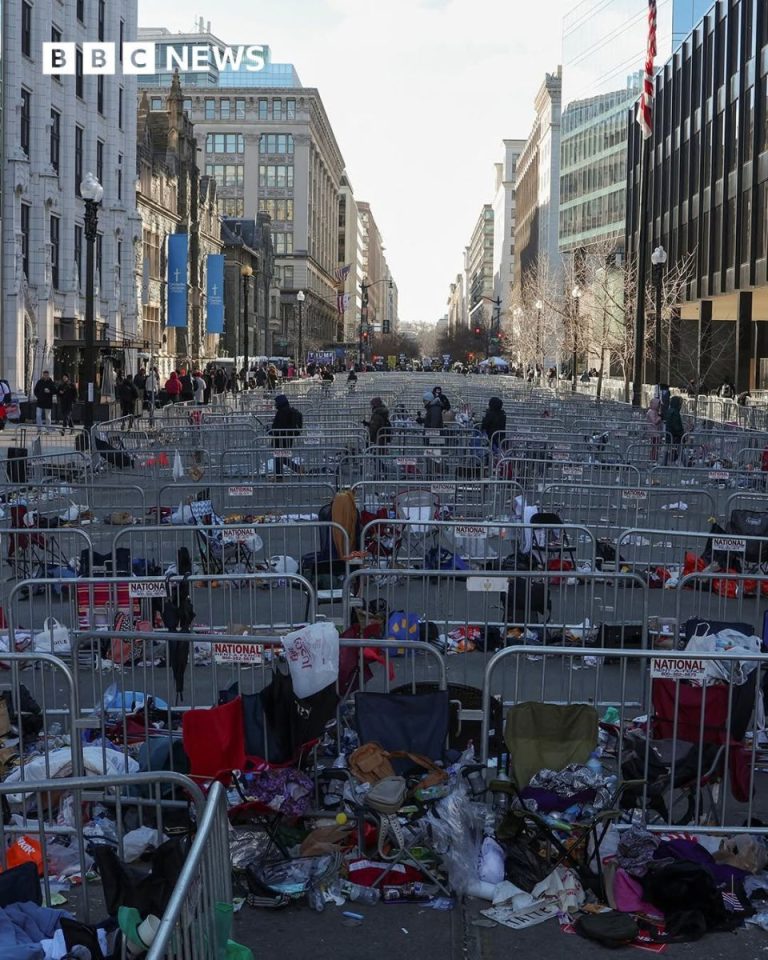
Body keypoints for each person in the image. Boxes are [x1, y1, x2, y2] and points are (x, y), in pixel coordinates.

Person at [270, 394, 302, 478]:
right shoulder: (292, 412)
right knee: (280, 457)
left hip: (279, 439)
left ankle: (295, 469)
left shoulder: (281, 413)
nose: (275, 404)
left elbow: (276, 427)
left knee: (279, 457)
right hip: (288, 438)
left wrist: (270, 431)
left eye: (276, 403)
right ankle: (279, 475)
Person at [663, 394, 685, 463]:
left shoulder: (670, 410)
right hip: (675, 435)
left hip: (669, 434)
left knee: (669, 449)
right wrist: (682, 433)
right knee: (679, 449)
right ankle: (684, 462)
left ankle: (665, 462)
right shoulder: (675, 412)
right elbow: (676, 425)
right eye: (680, 404)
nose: (681, 406)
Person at [645, 397, 663, 461]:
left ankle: (653, 458)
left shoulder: (653, 411)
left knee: (654, 446)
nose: (659, 406)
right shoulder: (651, 412)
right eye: (658, 405)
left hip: (654, 431)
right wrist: (660, 418)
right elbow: (654, 421)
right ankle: (654, 458)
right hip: (654, 432)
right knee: (655, 446)